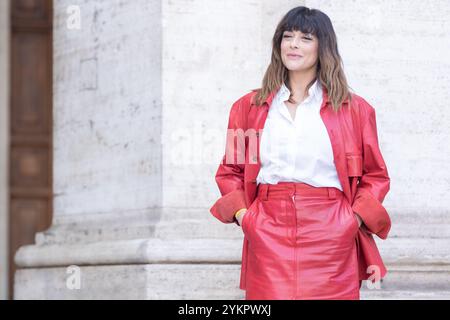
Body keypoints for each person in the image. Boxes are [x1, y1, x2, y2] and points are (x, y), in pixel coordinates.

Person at [210, 6, 391, 300]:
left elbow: (376, 175)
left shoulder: (355, 110)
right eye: (287, 36)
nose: (293, 44)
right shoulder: (248, 108)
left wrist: (351, 221)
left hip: (332, 231)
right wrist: (247, 218)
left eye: (306, 37)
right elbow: (231, 170)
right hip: (268, 228)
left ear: (324, 47)